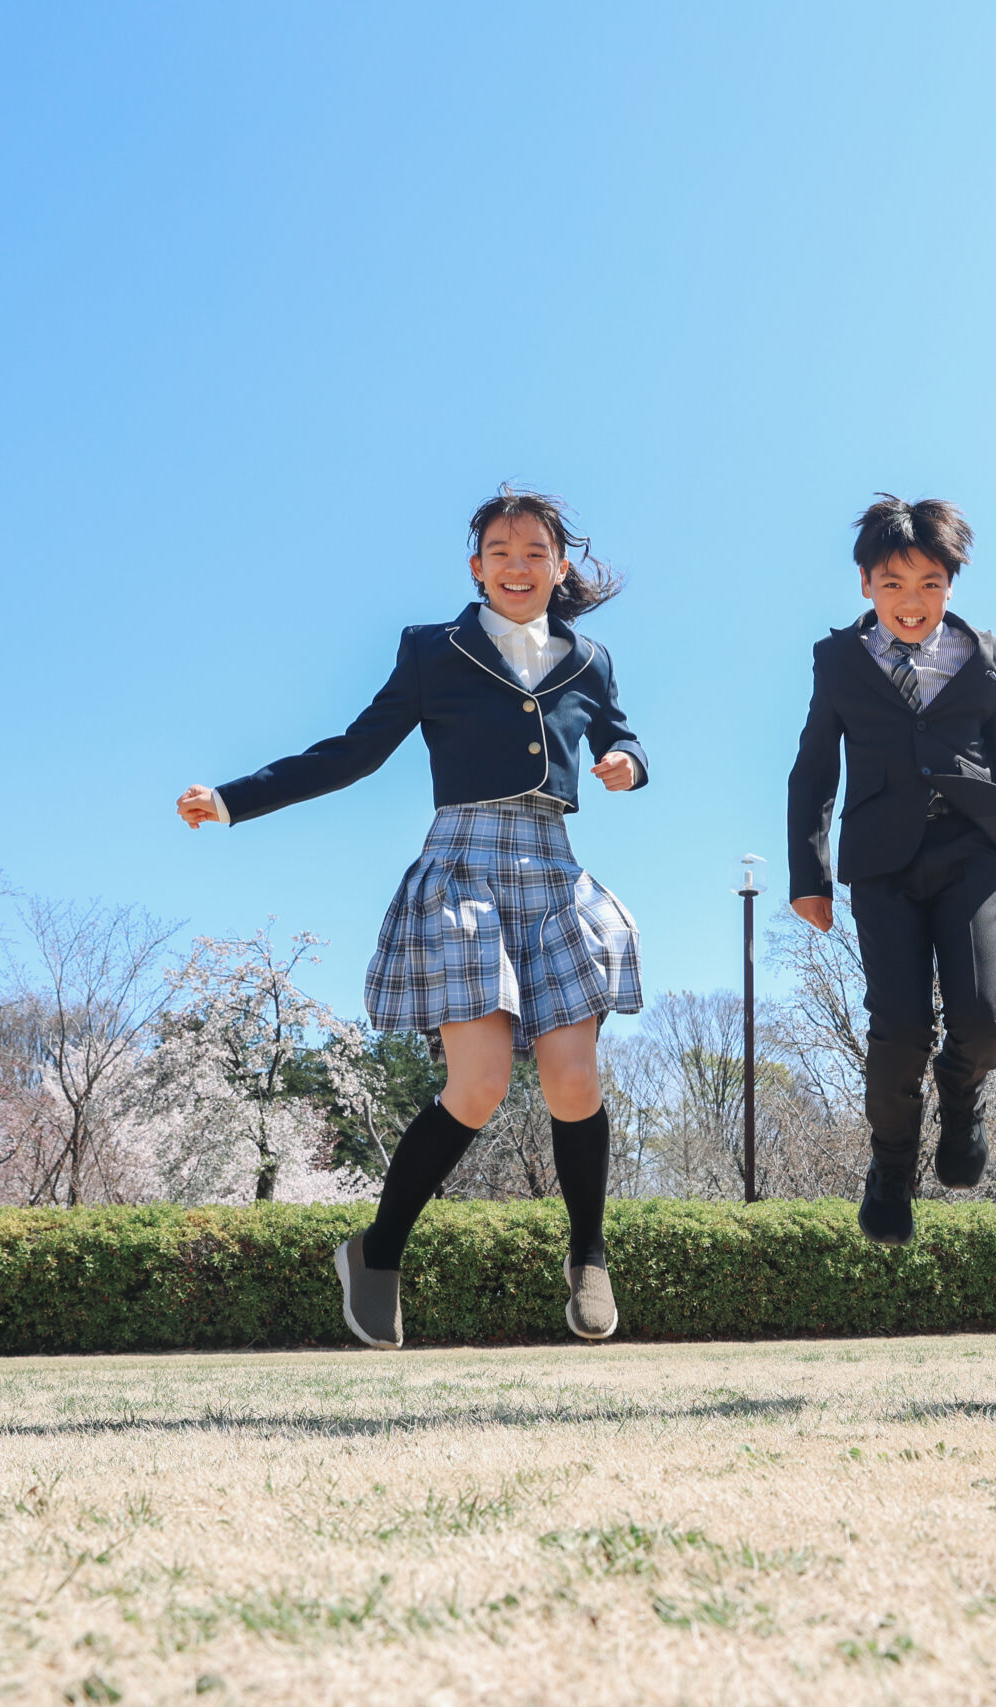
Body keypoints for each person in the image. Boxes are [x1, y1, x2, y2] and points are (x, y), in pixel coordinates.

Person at [176, 486, 648, 1347]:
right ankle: (378, 1251)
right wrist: (236, 798)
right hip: (464, 867)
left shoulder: (591, 660)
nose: (517, 566)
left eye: (535, 553)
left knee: (574, 1080)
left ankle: (588, 1252)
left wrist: (626, 761)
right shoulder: (433, 650)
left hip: (552, 869)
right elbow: (356, 751)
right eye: (500, 552)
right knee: (479, 1085)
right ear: (476, 568)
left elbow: (622, 735)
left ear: (560, 567)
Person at [787, 495, 996, 1244]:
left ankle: (962, 1098)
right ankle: (891, 1167)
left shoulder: (988, 656)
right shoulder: (837, 660)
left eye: (929, 583)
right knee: (899, 1027)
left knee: (983, 1015)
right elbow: (814, 768)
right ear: (866, 584)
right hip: (882, 865)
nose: (911, 600)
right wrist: (809, 875)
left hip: (974, 853)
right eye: (893, 583)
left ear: (950, 583)